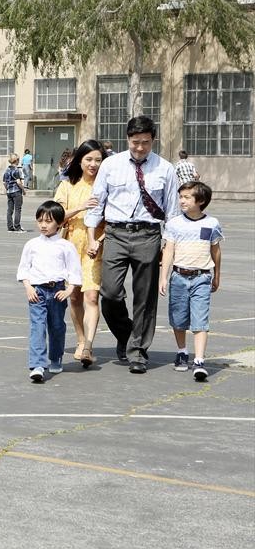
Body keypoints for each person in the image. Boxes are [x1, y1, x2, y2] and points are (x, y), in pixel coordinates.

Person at [85, 116, 179, 373]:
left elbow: (172, 212)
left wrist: (168, 246)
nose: (140, 148)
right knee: (111, 293)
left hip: (148, 235)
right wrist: (92, 237)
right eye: (136, 142)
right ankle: (127, 334)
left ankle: (138, 352)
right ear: (128, 139)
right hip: (115, 233)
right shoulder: (111, 165)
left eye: (146, 143)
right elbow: (97, 202)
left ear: (153, 140)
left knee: (145, 297)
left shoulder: (165, 169)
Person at [159, 182, 222, 382]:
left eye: (187, 197)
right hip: (178, 277)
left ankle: (199, 361)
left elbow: (216, 251)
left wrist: (217, 275)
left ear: (201, 201)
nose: (182, 201)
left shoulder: (211, 224)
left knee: (200, 320)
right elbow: (168, 250)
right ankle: (182, 351)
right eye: (181, 197)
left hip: (202, 278)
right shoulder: (174, 223)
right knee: (178, 319)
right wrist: (164, 277)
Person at [53, 140, 109, 367]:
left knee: (92, 296)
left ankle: (88, 346)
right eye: (89, 159)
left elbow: (112, 220)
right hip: (70, 248)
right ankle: (80, 339)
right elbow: (55, 216)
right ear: (79, 161)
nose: (93, 164)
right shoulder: (67, 186)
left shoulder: (106, 186)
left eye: (98, 160)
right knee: (74, 296)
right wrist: (80, 206)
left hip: (95, 248)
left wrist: (99, 241)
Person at [17, 201, 82, 383]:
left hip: (57, 291)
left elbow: (74, 270)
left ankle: (55, 357)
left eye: (48, 221)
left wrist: (69, 289)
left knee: (57, 326)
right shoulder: (31, 245)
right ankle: (37, 365)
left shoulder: (65, 246)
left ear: (60, 223)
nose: (43, 225)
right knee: (37, 327)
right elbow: (24, 268)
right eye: (40, 221)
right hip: (37, 291)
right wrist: (28, 287)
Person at [3, 153, 26, 232]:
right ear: (16, 161)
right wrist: (23, 190)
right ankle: (17, 226)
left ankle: (10, 227)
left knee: (10, 210)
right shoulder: (16, 170)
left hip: (9, 192)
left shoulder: (7, 170)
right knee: (18, 209)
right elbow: (19, 182)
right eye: (18, 160)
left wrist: (7, 189)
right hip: (16, 191)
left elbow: (4, 183)